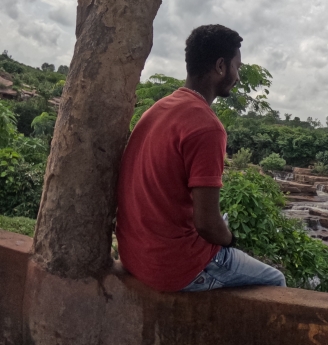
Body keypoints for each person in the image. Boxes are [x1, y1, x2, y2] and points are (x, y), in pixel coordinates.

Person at [116, 24, 286, 292]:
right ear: (221, 66)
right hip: (172, 267)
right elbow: (207, 226)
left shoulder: (157, 109)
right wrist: (230, 240)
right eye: (236, 67)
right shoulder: (207, 127)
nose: (238, 77)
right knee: (275, 280)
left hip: (134, 255)